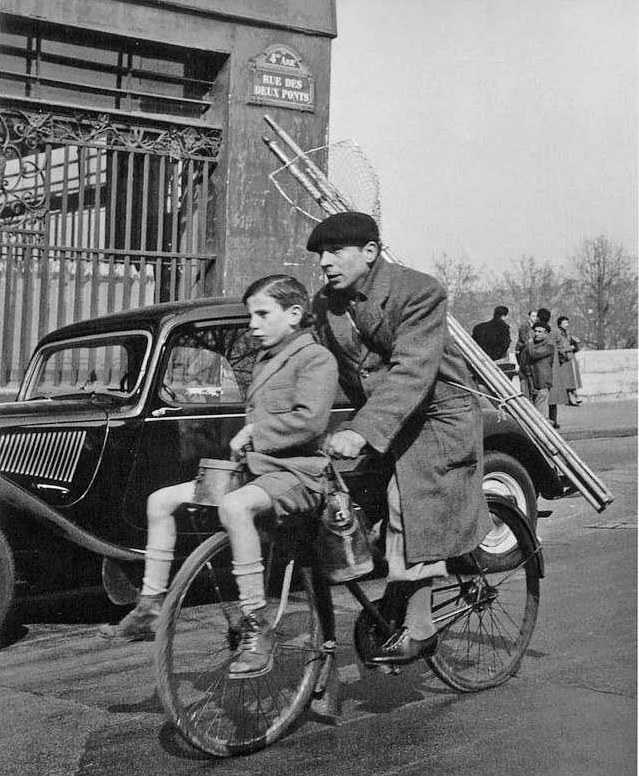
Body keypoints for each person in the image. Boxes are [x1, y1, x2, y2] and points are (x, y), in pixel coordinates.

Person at [101, 275, 338, 679]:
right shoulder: (265, 358)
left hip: (299, 474)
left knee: (234, 505)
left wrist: (254, 433)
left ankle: (256, 623)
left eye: (263, 314)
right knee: (159, 501)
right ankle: (150, 607)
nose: (253, 324)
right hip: (257, 471)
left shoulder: (316, 358)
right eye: (251, 316)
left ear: (295, 314)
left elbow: (311, 421)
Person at [308, 211, 492, 666]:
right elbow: (319, 365)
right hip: (385, 418)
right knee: (350, 506)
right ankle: (397, 587)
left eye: (336, 251)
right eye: (320, 254)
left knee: (406, 503)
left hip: (436, 416)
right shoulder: (326, 305)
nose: (325, 262)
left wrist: (363, 430)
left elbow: (413, 370)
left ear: (370, 253)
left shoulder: (420, 291)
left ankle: (422, 624)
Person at [519, 322, 555, 418]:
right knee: (529, 412)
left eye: (540, 331)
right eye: (535, 331)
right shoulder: (529, 346)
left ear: (546, 333)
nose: (536, 333)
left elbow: (534, 354)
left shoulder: (549, 346)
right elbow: (522, 361)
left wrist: (529, 344)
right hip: (528, 382)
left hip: (541, 383)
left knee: (540, 415)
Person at [557, 315, 582, 406]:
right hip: (564, 358)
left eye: (567, 323)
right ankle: (571, 397)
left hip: (571, 357)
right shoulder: (558, 334)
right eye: (565, 323)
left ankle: (574, 396)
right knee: (567, 379)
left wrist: (575, 345)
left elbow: (576, 346)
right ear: (560, 324)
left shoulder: (568, 333)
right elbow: (560, 347)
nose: (567, 325)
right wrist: (569, 348)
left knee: (572, 378)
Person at [515, 310, 537, 398]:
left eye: (536, 316)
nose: (534, 318)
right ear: (529, 317)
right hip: (522, 351)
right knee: (524, 372)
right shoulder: (524, 327)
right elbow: (524, 339)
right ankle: (525, 394)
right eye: (533, 316)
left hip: (530, 350)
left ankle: (531, 392)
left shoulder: (536, 326)